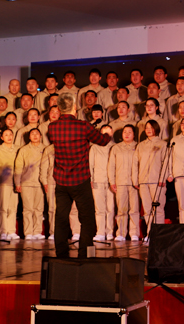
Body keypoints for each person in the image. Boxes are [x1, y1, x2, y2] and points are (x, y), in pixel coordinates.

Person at [46, 92, 112, 257]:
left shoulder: (52, 127)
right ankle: (86, 254)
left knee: (61, 218)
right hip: (80, 180)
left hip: (61, 180)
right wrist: (107, 134)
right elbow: (102, 141)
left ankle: (61, 255)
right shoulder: (83, 126)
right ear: (75, 107)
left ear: (59, 108)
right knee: (87, 219)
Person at [134, 120, 168, 233]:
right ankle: (150, 233)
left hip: (157, 181)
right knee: (147, 209)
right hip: (143, 181)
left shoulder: (162, 144)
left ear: (156, 129)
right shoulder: (141, 145)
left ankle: (159, 234)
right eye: (147, 128)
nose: (149, 130)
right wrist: (136, 179)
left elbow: (166, 162)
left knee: (158, 209)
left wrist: (162, 178)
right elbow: (135, 163)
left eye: (151, 128)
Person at [108, 125, 140, 241]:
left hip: (134, 183)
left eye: (129, 132)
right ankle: (120, 233)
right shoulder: (116, 148)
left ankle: (134, 233)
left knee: (134, 209)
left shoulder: (138, 146)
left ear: (134, 134)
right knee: (121, 209)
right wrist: (112, 181)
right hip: (120, 182)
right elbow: (111, 166)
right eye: (125, 132)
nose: (127, 134)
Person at [14, 128, 46, 240]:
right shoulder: (23, 150)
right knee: (27, 209)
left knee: (39, 209)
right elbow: (18, 167)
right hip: (26, 182)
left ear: (41, 136)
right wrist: (17, 183)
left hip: (40, 183)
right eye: (32, 134)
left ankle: (37, 232)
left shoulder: (45, 149)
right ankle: (28, 232)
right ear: (29, 137)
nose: (35, 136)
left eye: (37, 134)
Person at [89, 125, 115, 241]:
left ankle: (109, 232)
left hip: (111, 181)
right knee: (99, 208)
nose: (106, 135)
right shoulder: (94, 147)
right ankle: (100, 232)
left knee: (110, 208)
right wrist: (91, 179)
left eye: (108, 132)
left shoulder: (114, 147)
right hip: (98, 180)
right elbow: (90, 165)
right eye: (104, 132)